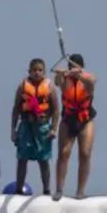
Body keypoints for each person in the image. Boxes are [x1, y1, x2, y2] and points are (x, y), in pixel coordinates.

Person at [52, 53, 98, 201]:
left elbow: (91, 81)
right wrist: (61, 74)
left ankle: (80, 191)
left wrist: (79, 74)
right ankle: (59, 189)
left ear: (82, 67)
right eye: (71, 66)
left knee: (85, 153)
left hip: (85, 118)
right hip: (68, 118)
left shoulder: (88, 79)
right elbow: (59, 83)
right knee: (64, 152)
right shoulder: (65, 79)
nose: (73, 68)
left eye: (76, 66)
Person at [11, 58, 58, 197]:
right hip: (26, 125)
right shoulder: (23, 86)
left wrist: (53, 129)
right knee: (22, 158)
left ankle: (46, 190)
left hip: (43, 127)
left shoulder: (50, 87)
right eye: (34, 70)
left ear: (44, 71)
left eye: (40, 70)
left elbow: (56, 110)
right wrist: (13, 130)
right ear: (29, 71)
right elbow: (16, 109)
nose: (37, 73)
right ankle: (18, 189)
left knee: (43, 159)